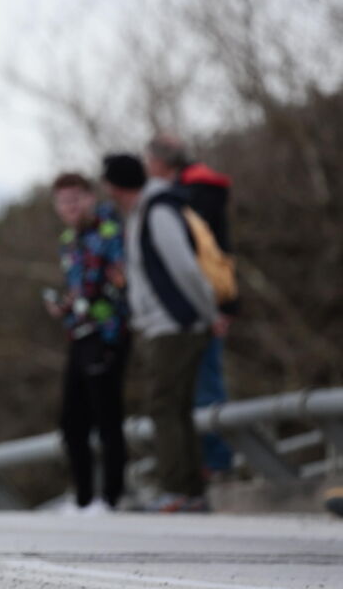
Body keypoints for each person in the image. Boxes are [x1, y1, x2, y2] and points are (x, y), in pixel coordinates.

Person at [102, 153, 226, 512]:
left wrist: (208, 313)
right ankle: (190, 490)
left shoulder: (156, 212)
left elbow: (185, 269)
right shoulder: (143, 211)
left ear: (116, 185)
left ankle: (180, 490)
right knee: (175, 406)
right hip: (162, 325)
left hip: (176, 325)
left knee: (165, 405)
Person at [145, 134, 235, 476]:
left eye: (149, 161)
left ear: (161, 162)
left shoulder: (192, 195)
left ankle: (215, 463)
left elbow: (199, 258)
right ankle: (207, 462)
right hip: (201, 302)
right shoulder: (193, 191)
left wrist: (218, 308)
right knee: (196, 385)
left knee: (204, 384)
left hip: (201, 304)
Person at [45, 172, 129, 514]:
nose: (71, 206)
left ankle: (111, 497)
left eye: (76, 198)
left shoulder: (110, 232)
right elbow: (81, 290)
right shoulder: (69, 240)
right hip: (78, 334)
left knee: (107, 416)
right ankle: (83, 498)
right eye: (64, 201)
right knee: (72, 420)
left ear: (91, 198)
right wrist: (64, 305)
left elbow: (118, 283)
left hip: (108, 333)